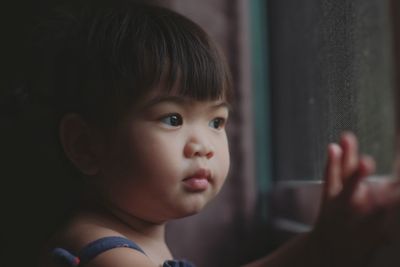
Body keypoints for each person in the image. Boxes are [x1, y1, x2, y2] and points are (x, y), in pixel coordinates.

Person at [21, 0, 400, 266]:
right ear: (85, 146)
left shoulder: (130, 241)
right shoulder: (101, 253)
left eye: (217, 122)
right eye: (172, 119)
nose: (203, 146)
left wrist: (319, 245)